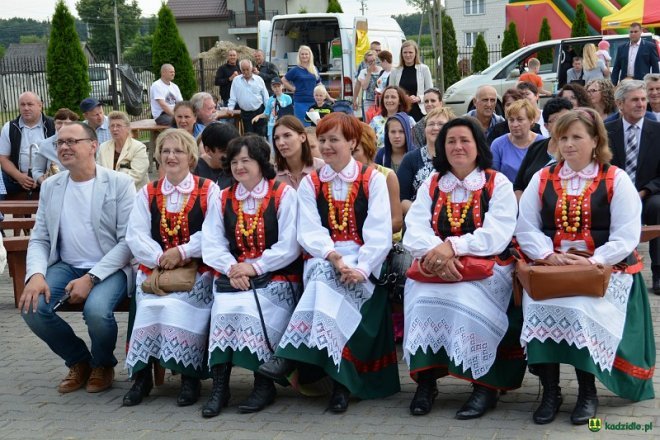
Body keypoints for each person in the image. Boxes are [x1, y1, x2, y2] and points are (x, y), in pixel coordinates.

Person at [516, 108, 655, 426]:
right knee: (537, 303)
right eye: (562, 137)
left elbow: (626, 235)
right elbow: (525, 227)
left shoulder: (615, 178)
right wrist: (548, 256)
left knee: (580, 307)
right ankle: (550, 392)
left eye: (576, 137)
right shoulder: (543, 177)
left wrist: (593, 261)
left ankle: (587, 391)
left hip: (604, 270)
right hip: (551, 268)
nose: (568, 144)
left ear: (595, 141)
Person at [258, 112, 400, 413]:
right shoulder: (312, 183)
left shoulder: (372, 178)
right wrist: (334, 256)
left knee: (326, 286)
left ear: (352, 141)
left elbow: (379, 231)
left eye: (334, 139)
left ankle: (291, 354)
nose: (326, 146)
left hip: (365, 259)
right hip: (325, 256)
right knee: (324, 276)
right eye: (321, 140)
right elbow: (309, 230)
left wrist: (361, 267)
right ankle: (339, 385)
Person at [403, 117, 523, 418]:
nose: (458, 146)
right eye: (451, 141)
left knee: (466, 299)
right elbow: (413, 228)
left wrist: (453, 247)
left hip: (485, 266)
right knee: (419, 299)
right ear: (442, 148)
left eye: (464, 140)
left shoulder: (497, 183)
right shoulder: (433, 183)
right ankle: (426, 382)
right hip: (435, 265)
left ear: (477, 146)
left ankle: (484, 385)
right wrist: (438, 255)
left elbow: (498, 233)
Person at [20, 122, 135, 394]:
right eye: (60, 143)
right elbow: (40, 238)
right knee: (31, 307)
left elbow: (128, 242)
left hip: (110, 268)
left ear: (93, 146)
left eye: (72, 141)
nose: (64, 147)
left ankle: (104, 364)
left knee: (96, 311)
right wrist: (36, 275)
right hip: (67, 265)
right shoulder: (51, 187)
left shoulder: (120, 184)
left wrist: (91, 278)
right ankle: (80, 361)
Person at [201, 135, 301, 416]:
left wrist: (255, 266)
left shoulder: (283, 194)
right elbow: (212, 242)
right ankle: (221, 386)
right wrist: (233, 268)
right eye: (234, 161)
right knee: (223, 308)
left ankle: (263, 383)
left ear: (260, 162)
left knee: (250, 309)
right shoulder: (223, 197)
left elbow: (290, 244)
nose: (239, 166)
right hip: (234, 276)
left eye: (246, 160)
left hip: (277, 276)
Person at [122, 128, 217, 407]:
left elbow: (213, 231)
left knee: (178, 306)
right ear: (158, 157)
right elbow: (135, 234)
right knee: (148, 304)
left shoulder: (207, 189)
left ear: (190, 156)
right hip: (157, 270)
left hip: (195, 270)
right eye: (165, 151)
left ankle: (189, 377)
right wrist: (160, 257)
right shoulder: (148, 192)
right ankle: (141, 377)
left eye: (178, 151)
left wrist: (183, 251)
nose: (171, 156)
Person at [605, 80, 660, 294]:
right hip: (614, 192)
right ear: (620, 104)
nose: (641, 104)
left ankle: (658, 272)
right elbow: (601, 165)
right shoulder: (607, 131)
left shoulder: (657, 131)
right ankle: (614, 267)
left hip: (647, 193)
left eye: (643, 99)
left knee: (658, 207)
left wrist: (644, 191)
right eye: (635, 100)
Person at [398, 107, 456, 216]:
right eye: (431, 124)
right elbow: (401, 198)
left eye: (441, 124)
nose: (435, 128)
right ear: (424, 130)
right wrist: (425, 215)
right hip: (418, 219)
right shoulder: (410, 159)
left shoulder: (456, 158)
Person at [513, 97, 573, 197]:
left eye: (567, 119)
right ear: (546, 126)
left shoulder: (577, 150)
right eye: (557, 120)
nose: (564, 124)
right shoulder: (536, 147)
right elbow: (518, 186)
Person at [0, 91, 55, 198]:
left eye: (30, 104)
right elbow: (3, 158)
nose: (26, 108)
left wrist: (40, 176)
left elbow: (58, 158)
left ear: (40, 106)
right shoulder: (9, 127)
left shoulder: (53, 126)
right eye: (22, 104)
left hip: (47, 177)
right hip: (16, 178)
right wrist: (19, 176)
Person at [353, 122, 403, 235]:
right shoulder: (344, 176)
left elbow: (397, 222)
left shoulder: (387, 176)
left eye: (355, 151)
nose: (350, 157)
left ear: (368, 148)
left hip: (382, 241)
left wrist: (368, 234)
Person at [491, 99, 546, 182]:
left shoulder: (543, 144)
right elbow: (492, 177)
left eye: (520, 119)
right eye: (511, 120)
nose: (515, 124)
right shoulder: (498, 145)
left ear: (531, 120)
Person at [97, 111, 149, 190]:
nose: (115, 129)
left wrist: (112, 187)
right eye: (112, 126)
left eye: (118, 126)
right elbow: (98, 172)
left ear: (128, 128)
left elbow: (136, 176)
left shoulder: (139, 148)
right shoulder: (103, 147)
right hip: (108, 193)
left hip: (134, 193)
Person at [272, 115, 324, 189]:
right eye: (276, 138)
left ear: (302, 137)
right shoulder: (272, 174)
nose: (281, 143)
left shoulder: (323, 168)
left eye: (287, 135)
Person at [388, 40, 433, 122]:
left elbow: (430, 91)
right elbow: (390, 91)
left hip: (420, 110)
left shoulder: (424, 69)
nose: (407, 55)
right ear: (401, 54)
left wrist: (419, 98)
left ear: (416, 53)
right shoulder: (394, 71)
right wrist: (404, 98)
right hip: (401, 110)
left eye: (410, 52)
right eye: (405, 52)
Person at [33, 108, 78, 185]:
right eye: (59, 123)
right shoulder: (45, 145)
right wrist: (45, 183)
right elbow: (37, 170)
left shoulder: (81, 142)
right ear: (54, 124)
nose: (63, 126)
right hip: (54, 188)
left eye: (66, 123)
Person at [227, 59, 270, 137]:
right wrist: (230, 108)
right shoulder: (236, 80)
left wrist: (268, 109)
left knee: (260, 135)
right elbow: (233, 96)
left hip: (259, 111)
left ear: (251, 68)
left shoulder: (259, 79)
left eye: (247, 69)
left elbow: (265, 96)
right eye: (243, 70)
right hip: (245, 113)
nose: (246, 72)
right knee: (249, 136)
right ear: (240, 70)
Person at [281, 45, 321, 125]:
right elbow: (283, 80)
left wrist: (328, 97)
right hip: (300, 102)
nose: (304, 56)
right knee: (302, 126)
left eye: (306, 54)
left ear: (310, 55)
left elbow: (319, 84)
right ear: (299, 56)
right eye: (302, 54)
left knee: (315, 126)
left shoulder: (314, 69)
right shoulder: (295, 70)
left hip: (314, 102)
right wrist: (293, 89)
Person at [369, 85, 415, 149]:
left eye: (393, 97)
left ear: (400, 101)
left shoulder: (409, 120)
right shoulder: (375, 121)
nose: (389, 100)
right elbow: (368, 143)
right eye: (386, 97)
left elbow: (415, 143)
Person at [195, 122, 238, 189]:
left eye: (233, 151)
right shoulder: (193, 169)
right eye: (224, 151)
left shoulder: (238, 168)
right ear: (208, 150)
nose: (229, 156)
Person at [251, 76, 292, 143]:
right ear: (272, 88)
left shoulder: (288, 98)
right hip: (272, 126)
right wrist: (258, 116)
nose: (277, 88)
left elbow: (290, 113)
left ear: (282, 86)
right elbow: (266, 113)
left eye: (278, 86)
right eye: (274, 87)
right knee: (273, 148)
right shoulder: (270, 100)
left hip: (284, 125)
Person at [354, 50, 383, 116]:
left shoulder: (381, 70)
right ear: (366, 62)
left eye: (374, 60)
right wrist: (369, 72)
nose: (373, 63)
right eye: (370, 62)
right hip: (368, 101)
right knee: (369, 120)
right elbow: (364, 87)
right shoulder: (363, 72)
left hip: (380, 100)